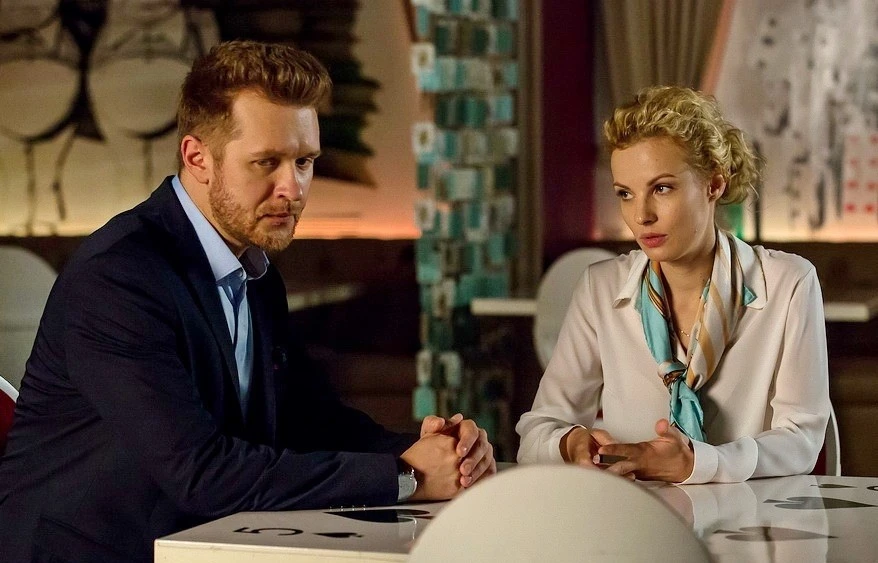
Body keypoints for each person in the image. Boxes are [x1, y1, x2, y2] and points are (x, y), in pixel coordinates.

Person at [0, 40, 495, 563]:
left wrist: (433, 452)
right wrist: (406, 477)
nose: (293, 188)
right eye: (267, 162)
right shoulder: (118, 278)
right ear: (197, 158)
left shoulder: (255, 271)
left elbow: (308, 419)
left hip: (199, 543)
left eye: (304, 161)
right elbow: (201, 472)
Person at [517, 85, 830, 484]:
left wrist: (700, 463)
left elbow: (802, 441)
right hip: (635, 513)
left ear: (714, 184)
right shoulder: (601, 287)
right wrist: (570, 443)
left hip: (752, 513)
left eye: (661, 188)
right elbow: (537, 432)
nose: (641, 215)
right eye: (625, 194)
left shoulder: (789, 283)